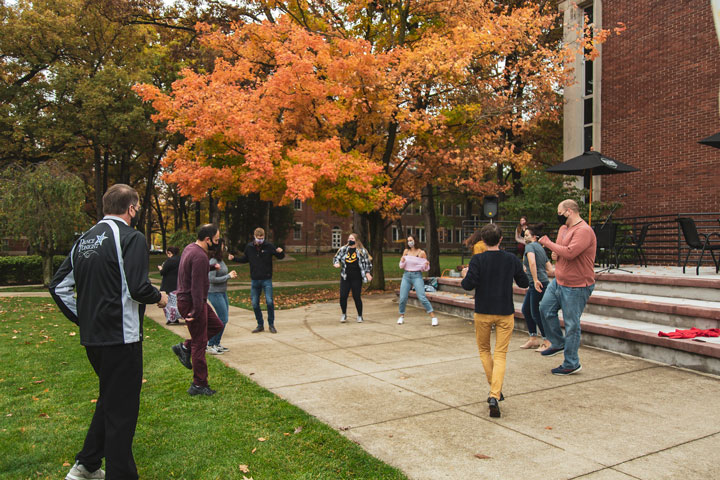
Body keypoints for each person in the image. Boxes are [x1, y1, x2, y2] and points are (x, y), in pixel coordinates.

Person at [49, 183, 167, 480]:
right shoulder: (131, 237)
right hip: (122, 340)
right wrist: (161, 298)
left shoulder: (84, 240)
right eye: (137, 209)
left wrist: (84, 321)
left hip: (94, 341)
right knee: (122, 413)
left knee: (111, 401)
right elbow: (138, 288)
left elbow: (59, 287)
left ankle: (86, 465)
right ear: (131, 208)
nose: (136, 213)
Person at [460, 223, 529, 418]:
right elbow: (524, 283)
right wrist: (521, 270)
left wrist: (465, 274)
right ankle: (494, 394)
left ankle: (494, 392)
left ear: (483, 239)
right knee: (500, 354)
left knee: (484, 350)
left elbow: (467, 285)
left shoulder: (477, 260)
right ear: (500, 239)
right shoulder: (511, 259)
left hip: (483, 311)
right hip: (505, 311)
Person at [538, 199, 597, 376]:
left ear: (569, 211)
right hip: (559, 280)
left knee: (572, 324)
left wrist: (548, 243)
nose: (558, 216)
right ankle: (558, 342)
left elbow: (570, 252)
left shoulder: (584, 231)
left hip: (577, 285)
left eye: (560, 212)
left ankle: (571, 363)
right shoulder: (564, 229)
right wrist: (555, 253)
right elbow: (561, 251)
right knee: (545, 309)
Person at [171, 224, 226, 396]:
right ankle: (199, 384)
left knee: (216, 325)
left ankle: (185, 347)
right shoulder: (200, 256)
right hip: (193, 302)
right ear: (207, 239)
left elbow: (193, 270)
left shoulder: (191, 249)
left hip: (193, 301)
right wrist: (195, 311)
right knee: (200, 342)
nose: (217, 243)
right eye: (216, 240)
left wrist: (211, 267)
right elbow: (196, 286)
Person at [234, 227, 284, 333]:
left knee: (269, 302)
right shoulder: (249, 247)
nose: (260, 240)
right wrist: (234, 258)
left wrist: (280, 252)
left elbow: (279, 256)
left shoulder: (269, 246)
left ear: (264, 237)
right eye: (258, 238)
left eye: (262, 238)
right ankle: (260, 324)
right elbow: (245, 259)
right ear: (254, 237)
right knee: (255, 303)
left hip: (267, 279)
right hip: (255, 280)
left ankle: (271, 324)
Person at [520, 223, 555, 351]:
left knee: (535, 312)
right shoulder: (540, 248)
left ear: (535, 237)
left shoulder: (529, 247)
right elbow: (550, 269)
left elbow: (532, 262)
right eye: (524, 235)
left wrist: (535, 279)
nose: (525, 238)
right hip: (541, 282)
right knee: (526, 310)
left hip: (537, 283)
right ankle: (533, 339)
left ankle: (547, 341)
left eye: (528, 235)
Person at [397, 235, 438, 326]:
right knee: (403, 297)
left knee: (422, 297)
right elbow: (401, 265)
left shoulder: (421, 252)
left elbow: (424, 268)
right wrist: (402, 260)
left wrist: (426, 264)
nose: (409, 242)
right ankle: (401, 316)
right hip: (406, 275)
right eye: (408, 241)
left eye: (411, 240)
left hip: (417, 276)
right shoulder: (406, 251)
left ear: (415, 241)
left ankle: (433, 317)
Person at [333, 233, 373, 323]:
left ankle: (359, 315)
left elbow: (368, 263)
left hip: (357, 278)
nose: (350, 240)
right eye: (349, 238)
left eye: (352, 238)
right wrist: (336, 263)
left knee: (356, 297)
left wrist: (367, 273)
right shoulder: (343, 249)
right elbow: (336, 257)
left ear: (356, 240)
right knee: (343, 296)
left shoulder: (362, 251)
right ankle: (344, 314)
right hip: (345, 277)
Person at [207, 238, 237, 355]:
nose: (225, 247)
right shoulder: (213, 261)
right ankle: (210, 344)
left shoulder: (221, 260)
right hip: (214, 292)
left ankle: (216, 343)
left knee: (223, 319)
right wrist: (228, 276)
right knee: (223, 319)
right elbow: (211, 279)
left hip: (222, 292)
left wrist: (229, 275)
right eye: (223, 245)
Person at [159, 246, 182, 324]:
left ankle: (171, 318)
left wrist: (161, 269)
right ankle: (178, 316)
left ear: (169, 253)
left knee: (168, 303)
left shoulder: (169, 261)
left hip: (168, 285)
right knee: (177, 302)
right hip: (179, 284)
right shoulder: (181, 259)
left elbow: (163, 272)